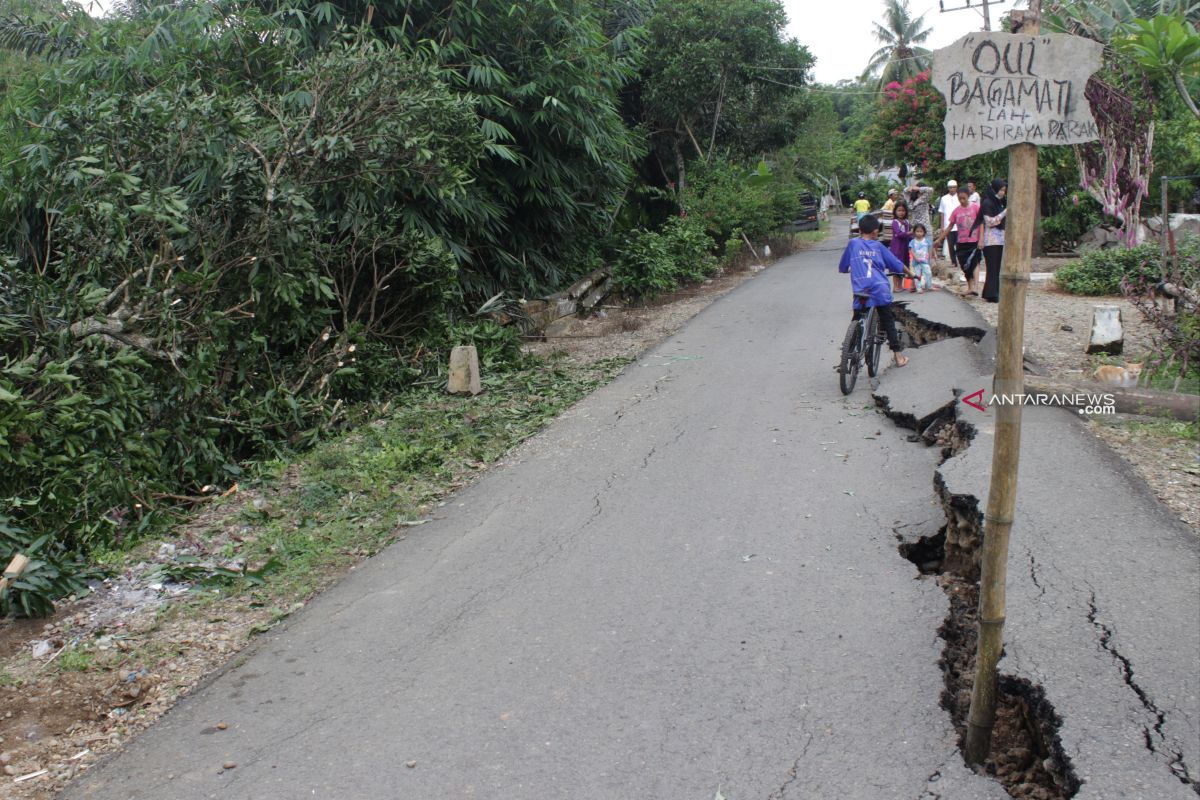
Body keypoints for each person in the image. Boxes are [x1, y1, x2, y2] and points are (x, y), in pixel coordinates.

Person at [838, 214, 911, 368]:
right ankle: (898, 357)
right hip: (880, 289)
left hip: (861, 290)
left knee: (857, 318)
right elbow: (897, 264)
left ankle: (847, 354)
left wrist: (848, 269)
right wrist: (912, 274)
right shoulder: (879, 247)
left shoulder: (853, 244)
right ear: (875, 231)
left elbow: (842, 267)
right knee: (888, 321)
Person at [938, 188, 982, 296]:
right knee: (965, 266)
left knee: (975, 262)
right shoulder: (956, 211)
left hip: (974, 240)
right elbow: (950, 226)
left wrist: (981, 239)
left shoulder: (976, 207)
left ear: (968, 196)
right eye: (960, 198)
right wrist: (939, 239)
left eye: (964, 198)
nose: (962, 200)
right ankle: (970, 287)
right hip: (961, 242)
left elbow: (981, 224)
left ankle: (976, 287)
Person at [975, 179, 1008, 303]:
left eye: (1004, 190)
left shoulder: (1000, 203)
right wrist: (1004, 213)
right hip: (991, 240)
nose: (1002, 193)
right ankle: (992, 293)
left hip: (1000, 239)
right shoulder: (987, 203)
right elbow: (989, 222)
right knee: (993, 268)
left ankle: (993, 292)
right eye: (1000, 190)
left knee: (998, 267)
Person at [937, 180, 961, 276]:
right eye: (950, 187)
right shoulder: (944, 198)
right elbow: (942, 213)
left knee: (959, 244)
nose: (952, 189)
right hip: (948, 225)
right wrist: (942, 226)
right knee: (950, 245)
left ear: (956, 187)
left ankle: (960, 261)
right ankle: (953, 261)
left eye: (954, 187)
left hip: (959, 225)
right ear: (948, 188)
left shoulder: (960, 197)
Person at [889, 201, 912, 291]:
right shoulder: (895, 222)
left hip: (905, 247)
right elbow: (898, 234)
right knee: (896, 266)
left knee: (903, 265)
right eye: (899, 210)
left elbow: (909, 235)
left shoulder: (907, 221)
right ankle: (895, 286)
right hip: (897, 247)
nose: (901, 212)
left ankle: (901, 285)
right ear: (895, 211)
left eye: (903, 210)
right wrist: (909, 233)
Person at [909, 223, 933, 293]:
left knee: (928, 273)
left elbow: (930, 250)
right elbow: (911, 250)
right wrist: (915, 258)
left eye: (921, 231)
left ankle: (929, 286)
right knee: (917, 275)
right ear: (914, 232)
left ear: (924, 232)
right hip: (916, 262)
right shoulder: (912, 242)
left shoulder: (927, 241)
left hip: (925, 261)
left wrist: (930, 259)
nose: (919, 233)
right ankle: (919, 288)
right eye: (917, 231)